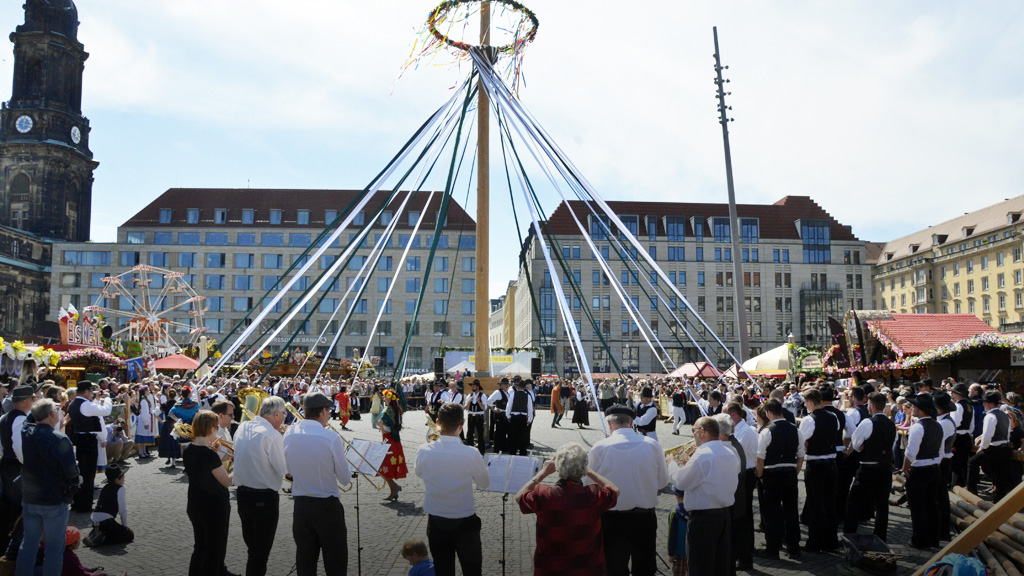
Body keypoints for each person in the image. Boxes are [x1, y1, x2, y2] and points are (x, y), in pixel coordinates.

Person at [587, 405, 670, 576]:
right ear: (632, 422)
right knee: (645, 568)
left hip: (612, 518)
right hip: (644, 517)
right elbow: (663, 482)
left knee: (614, 568)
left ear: (609, 424)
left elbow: (588, 485)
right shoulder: (652, 445)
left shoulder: (600, 447)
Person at [516, 443, 619, 576]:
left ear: (557, 469)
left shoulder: (544, 494)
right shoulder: (594, 494)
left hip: (551, 569)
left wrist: (543, 472)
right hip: (588, 569)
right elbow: (614, 490)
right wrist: (589, 471)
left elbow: (520, 496)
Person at [414, 403, 490, 576]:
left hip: (437, 521)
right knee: (472, 570)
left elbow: (419, 473)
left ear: (438, 422)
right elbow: (485, 483)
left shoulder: (423, 450)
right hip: (465, 520)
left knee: (443, 570)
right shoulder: (471, 453)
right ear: (462, 425)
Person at [283, 393, 352, 576]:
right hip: (327, 506)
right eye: (328, 410)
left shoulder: (289, 433)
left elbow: (287, 470)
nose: (329, 414)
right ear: (322, 411)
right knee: (335, 561)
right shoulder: (330, 437)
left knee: (305, 561)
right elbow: (345, 478)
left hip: (301, 506)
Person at [668, 416, 740, 576]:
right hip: (724, 516)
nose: (692, 434)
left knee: (700, 567)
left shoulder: (703, 454)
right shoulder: (730, 452)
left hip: (703, 520)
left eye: (693, 430)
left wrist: (671, 464)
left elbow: (680, 482)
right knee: (720, 567)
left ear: (702, 431)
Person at [16, 398, 80, 576]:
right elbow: (71, 472)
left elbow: (31, 418)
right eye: (57, 411)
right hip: (53, 500)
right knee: (53, 549)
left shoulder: (27, 432)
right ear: (52, 414)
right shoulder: (59, 438)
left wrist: (38, 407)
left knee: (28, 544)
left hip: (30, 497)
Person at [233, 396, 288, 576]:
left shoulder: (242, 427)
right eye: (284, 414)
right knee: (260, 552)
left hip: (242, 495)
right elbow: (283, 469)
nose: (285, 418)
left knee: (253, 548)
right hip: (264, 498)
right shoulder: (272, 435)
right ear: (276, 413)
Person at [184, 410, 235, 576]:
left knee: (200, 547)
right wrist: (242, 464)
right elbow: (227, 481)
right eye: (216, 427)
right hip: (213, 506)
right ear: (211, 428)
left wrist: (215, 454)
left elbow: (206, 469)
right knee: (213, 550)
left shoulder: (189, 449)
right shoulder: (207, 454)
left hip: (195, 503)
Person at [844, 391, 897, 542]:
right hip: (885, 466)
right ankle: (880, 535)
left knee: (853, 499)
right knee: (881, 504)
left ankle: (850, 532)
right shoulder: (891, 424)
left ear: (872, 406)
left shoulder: (868, 422)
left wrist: (863, 448)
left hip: (868, 466)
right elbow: (892, 445)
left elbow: (855, 443)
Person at [756, 399, 803, 560]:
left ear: (768, 413)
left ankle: (773, 548)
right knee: (791, 511)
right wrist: (795, 471)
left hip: (772, 473)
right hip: (789, 472)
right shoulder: (795, 429)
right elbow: (801, 455)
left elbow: (760, 459)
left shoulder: (767, 431)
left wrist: (761, 476)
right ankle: (794, 547)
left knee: (772, 512)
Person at [797, 388, 840, 553]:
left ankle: (816, 541)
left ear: (809, 402)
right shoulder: (833, 416)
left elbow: (801, 441)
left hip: (816, 464)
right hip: (831, 462)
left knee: (816, 504)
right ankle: (831, 540)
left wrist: (808, 445)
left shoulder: (809, 419)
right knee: (829, 503)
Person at [902, 393, 943, 550]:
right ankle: (933, 539)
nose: (912, 408)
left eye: (914, 406)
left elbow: (911, 452)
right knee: (931, 505)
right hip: (933, 467)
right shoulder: (937, 425)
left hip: (920, 469)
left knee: (917, 507)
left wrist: (905, 467)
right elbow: (940, 450)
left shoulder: (918, 427)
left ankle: (920, 541)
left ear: (919, 410)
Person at [67, 381, 112, 514]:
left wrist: (98, 401)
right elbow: (106, 411)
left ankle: (77, 502)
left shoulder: (73, 404)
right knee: (88, 474)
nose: (92, 394)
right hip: (88, 440)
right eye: (91, 391)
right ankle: (85, 505)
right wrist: (107, 398)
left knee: (80, 472)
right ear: (86, 392)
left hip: (78, 438)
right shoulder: (85, 405)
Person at [0, 385, 33, 552]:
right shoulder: (20, 419)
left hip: (7, 464)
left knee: (8, 508)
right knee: (16, 510)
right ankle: (12, 550)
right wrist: (29, 465)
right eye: (32, 399)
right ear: (25, 401)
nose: (34, 401)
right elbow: (20, 449)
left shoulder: (6, 417)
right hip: (15, 467)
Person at [726, 403, 756, 571]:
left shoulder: (744, 432)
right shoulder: (741, 430)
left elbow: (736, 455)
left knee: (742, 518)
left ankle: (745, 554)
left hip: (744, 475)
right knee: (742, 517)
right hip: (742, 473)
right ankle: (744, 552)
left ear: (735, 415)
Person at [969, 390, 1013, 501]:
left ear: (991, 404)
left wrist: (982, 448)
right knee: (999, 473)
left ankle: (971, 490)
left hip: (994, 448)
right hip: (1004, 447)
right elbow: (1006, 433)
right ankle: (999, 498)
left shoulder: (990, 416)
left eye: (985, 402)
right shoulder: (1005, 416)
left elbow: (988, 436)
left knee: (972, 463)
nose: (983, 405)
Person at [85, 462, 133, 547]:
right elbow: (123, 510)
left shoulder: (105, 487)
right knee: (129, 535)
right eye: (123, 478)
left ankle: (94, 534)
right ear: (117, 480)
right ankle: (101, 540)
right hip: (107, 521)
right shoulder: (120, 489)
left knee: (106, 529)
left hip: (95, 519)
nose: (124, 480)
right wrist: (125, 527)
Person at [933, 391, 956, 542]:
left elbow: (939, 446)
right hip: (941, 460)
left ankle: (943, 531)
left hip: (942, 461)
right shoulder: (943, 421)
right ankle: (940, 530)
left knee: (940, 498)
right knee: (938, 497)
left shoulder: (945, 423)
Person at [379, 389, 408, 501]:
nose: (384, 398)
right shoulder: (397, 409)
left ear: (390, 398)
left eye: (385, 397)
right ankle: (393, 488)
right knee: (386, 466)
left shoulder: (386, 410)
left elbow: (381, 424)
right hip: (395, 441)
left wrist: (382, 431)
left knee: (382, 466)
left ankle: (394, 487)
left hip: (388, 440)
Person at [950, 383, 974, 487]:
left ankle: (956, 484)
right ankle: (964, 483)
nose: (952, 394)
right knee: (964, 461)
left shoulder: (958, 405)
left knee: (956, 462)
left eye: (953, 392)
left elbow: (956, 422)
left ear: (957, 393)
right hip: (966, 436)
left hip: (958, 437)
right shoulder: (969, 405)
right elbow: (972, 424)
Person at [505, 379, 534, 456]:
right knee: (522, 436)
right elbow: (530, 408)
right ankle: (522, 452)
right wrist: (530, 419)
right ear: (524, 388)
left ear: (518, 387)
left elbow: (508, 406)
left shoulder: (513, 394)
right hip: (523, 417)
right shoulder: (527, 396)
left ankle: (512, 452)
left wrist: (508, 416)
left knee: (513, 435)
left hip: (514, 417)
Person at [667, 486, 688, 576]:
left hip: (678, 553)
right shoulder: (695, 510)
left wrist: (671, 553)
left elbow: (672, 535)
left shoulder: (674, 513)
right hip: (693, 552)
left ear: (675, 494)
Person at [158, 388, 182, 467]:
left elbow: (155, 412)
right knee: (174, 442)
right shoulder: (178, 404)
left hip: (167, 424)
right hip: (175, 423)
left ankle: (168, 457)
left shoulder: (165, 404)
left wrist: (162, 421)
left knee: (168, 441)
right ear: (175, 396)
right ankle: (173, 461)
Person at [463, 380, 488, 455]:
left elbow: (484, 408)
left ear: (477, 387)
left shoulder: (482, 396)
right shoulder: (469, 395)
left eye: (474, 386)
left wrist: (479, 402)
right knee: (470, 432)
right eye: (472, 386)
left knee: (480, 433)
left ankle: (481, 450)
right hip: (471, 415)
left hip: (479, 416)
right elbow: (466, 408)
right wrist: (469, 402)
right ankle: (469, 449)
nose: (472, 387)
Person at [135, 385, 157, 458]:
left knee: (145, 435)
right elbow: (145, 412)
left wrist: (155, 411)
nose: (149, 391)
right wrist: (146, 422)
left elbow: (149, 410)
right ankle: (141, 452)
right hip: (144, 420)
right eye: (147, 390)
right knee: (143, 435)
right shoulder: (144, 401)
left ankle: (144, 451)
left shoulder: (146, 400)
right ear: (144, 392)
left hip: (147, 419)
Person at [488, 379, 509, 453]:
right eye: (505, 384)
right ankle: (497, 448)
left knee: (503, 432)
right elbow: (489, 400)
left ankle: (502, 447)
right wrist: (493, 409)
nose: (506, 385)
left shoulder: (506, 393)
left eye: (507, 384)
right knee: (499, 432)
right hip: (500, 414)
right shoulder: (498, 392)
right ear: (501, 385)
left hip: (505, 414)